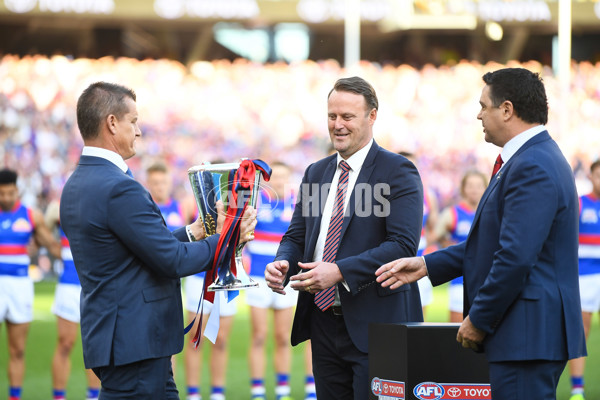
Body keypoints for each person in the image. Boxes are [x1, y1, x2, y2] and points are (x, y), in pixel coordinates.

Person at [376, 68, 587, 399]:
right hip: (526, 333)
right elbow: (491, 244)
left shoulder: (532, 165)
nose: (478, 114)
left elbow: (515, 257)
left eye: (483, 105)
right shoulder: (525, 159)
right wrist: (427, 266)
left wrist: (479, 319)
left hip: (526, 334)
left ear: (506, 109)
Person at [59, 82, 256, 399]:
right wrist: (226, 239)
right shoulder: (118, 187)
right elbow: (172, 260)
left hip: (120, 339)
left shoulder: (78, 182)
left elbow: (140, 251)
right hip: (135, 342)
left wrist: (196, 231)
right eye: (133, 121)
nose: (138, 131)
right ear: (112, 123)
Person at [265, 76, 424, 399]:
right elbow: (297, 234)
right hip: (323, 323)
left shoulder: (398, 171)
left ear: (372, 116)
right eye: (332, 116)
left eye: (347, 117)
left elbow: (403, 245)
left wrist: (339, 272)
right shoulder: (316, 172)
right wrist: (283, 260)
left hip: (377, 326)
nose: (338, 125)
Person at [144, 161, 236, 400]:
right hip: (198, 278)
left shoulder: (237, 201)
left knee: (222, 339)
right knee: (196, 338)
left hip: (227, 278)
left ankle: (217, 393)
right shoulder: (189, 204)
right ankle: (193, 393)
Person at [245, 161, 316, 400]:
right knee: (259, 335)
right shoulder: (258, 202)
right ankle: (257, 390)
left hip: (287, 278)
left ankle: (282, 390)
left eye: (285, 177)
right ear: (268, 181)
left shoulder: (297, 205)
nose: (280, 182)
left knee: (283, 336)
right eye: (276, 178)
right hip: (258, 275)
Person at [0, 168, 62, 400]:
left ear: (17, 191)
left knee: (17, 350)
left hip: (19, 287)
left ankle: (14, 397)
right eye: (1, 193)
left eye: (10, 193)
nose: (6, 197)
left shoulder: (31, 216)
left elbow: (54, 247)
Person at [45, 200, 101, 400]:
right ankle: (59, 396)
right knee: (65, 343)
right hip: (68, 284)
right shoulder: (61, 206)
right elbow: (45, 228)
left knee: (97, 346)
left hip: (96, 285)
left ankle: (94, 396)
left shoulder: (103, 202)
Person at [433, 170, 487, 323]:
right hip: (459, 280)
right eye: (470, 185)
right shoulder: (453, 213)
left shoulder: (491, 212)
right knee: (457, 329)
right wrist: (446, 244)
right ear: (463, 189)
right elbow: (435, 235)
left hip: (486, 279)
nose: (474, 190)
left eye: (478, 185)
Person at [568, 159, 600, 400]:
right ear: (590, 176)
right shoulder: (579, 204)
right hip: (585, 276)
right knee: (581, 332)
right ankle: (577, 389)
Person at [399, 151, 438, 318]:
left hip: (419, 260)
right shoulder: (387, 194)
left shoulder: (427, 195)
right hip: (395, 261)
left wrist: (421, 244)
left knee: (419, 319)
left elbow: (433, 228)